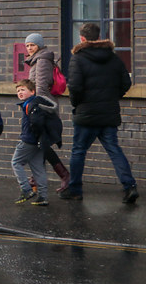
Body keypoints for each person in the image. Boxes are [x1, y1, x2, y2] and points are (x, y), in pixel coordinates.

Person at [60, 22, 139, 204]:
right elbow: (126, 83)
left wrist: (77, 105)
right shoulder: (113, 57)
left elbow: (75, 88)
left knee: (79, 151)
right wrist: (112, 97)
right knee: (114, 150)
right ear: (98, 36)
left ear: (82, 38)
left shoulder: (78, 58)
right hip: (108, 114)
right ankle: (130, 187)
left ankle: (75, 190)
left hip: (86, 114)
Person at [24, 33, 71, 192]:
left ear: (39, 46)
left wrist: (35, 109)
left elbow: (41, 89)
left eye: (33, 45)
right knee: (41, 145)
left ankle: (64, 176)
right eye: (28, 45)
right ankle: (36, 178)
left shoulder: (42, 61)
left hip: (44, 109)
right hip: (43, 107)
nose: (29, 48)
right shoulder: (38, 60)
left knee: (42, 144)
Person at [12, 78, 58, 206]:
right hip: (39, 141)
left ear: (32, 92)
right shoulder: (36, 103)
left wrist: (29, 137)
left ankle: (26, 190)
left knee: (16, 162)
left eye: (23, 90)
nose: (20, 92)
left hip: (28, 140)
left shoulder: (30, 104)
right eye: (18, 91)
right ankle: (43, 197)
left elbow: (36, 123)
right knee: (38, 168)